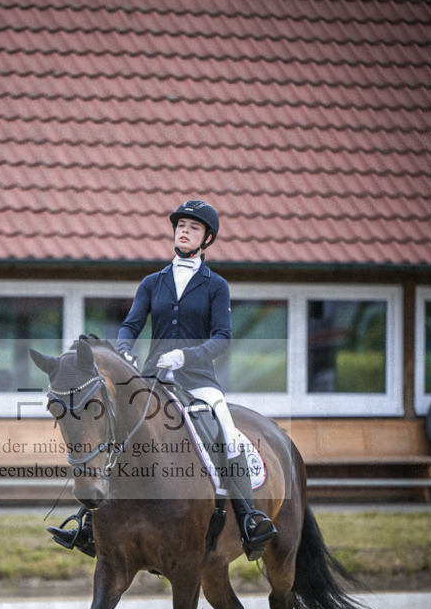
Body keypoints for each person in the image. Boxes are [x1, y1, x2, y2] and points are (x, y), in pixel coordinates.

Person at [49, 199, 277, 560]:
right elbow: (132, 323)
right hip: (153, 378)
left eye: (193, 227)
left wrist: (187, 355)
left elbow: (223, 337)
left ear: (207, 238)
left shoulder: (216, 286)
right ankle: (89, 523)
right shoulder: (153, 282)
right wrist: (124, 349)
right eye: (181, 225)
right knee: (116, 431)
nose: (184, 231)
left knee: (229, 437)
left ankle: (249, 519)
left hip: (199, 380)